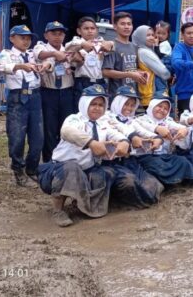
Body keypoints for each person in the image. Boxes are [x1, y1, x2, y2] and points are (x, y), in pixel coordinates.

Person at [37, 84, 130, 227]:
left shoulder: (103, 123)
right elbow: (67, 131)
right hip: (59, 169)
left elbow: (118, 136)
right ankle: (58, 210)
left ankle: (81, 204)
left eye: (101, 104)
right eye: (93, 103)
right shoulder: (74, 119)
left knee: (106, 172)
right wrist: (91, 143)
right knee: (71, 168)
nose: (97, 108)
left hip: (87, 169)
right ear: (84, 103)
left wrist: (124, 143)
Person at [0, 25, 48, 187]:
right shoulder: (7, 53)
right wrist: (19, 66)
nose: (26, 41)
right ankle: (18, 169)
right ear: (12, 38)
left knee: (38, 137)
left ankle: (32, 169)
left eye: (28, 38)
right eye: (22, 37)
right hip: (17, 97)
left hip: (35, 96)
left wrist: (47, 66)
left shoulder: (33, 53)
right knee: (17, 137)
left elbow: (48, 61)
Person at [104, 86, 164, 208]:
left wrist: (157, 139)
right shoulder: (107, 117)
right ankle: (115, 199)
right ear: (118, 103)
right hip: (111, 162)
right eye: (126, 104)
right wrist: (133, 137)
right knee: (129, 183)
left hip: (129, 161)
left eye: (132, 105)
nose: (129, 108)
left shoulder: (131, 120)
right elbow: (122, 129)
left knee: (154, 186)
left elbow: (144, 132)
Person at [34, 21, 75, 163]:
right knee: (49, 128)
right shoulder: (41, 47)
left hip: (67, 92)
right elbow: (39, 55)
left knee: (66, 127)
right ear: (46, 35)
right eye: (53, 33)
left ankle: (65, 159)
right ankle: (49, 162)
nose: (57, 37)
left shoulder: (69, 49)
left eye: (60, 34)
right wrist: (55, 54)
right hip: (48, 92)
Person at [134, 91, 193, 186]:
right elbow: (138, 126)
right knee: (156, 166)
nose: (162, 110)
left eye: (166, 108)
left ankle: (169, 181)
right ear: (152, 105)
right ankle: (166, 182)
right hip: (147, 156)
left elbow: (179, 126)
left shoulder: (167, 121)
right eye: (159, 106)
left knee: (183, 161)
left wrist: (184, 130)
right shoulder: (141, 119)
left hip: (164, 156)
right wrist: (157, 129)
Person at [66, 16, 114, 105]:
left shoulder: (100, 42)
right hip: (83, 82)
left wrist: (110, 44)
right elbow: (68, 47)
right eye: (86, 28)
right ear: (79, 31)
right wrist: (83, 45)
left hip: (99, 81)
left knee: (100, 109)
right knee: (81, 109)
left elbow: (113, 47)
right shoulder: (77, 41)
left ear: (96, 30)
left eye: (92, 28)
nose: (90, 31)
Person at [102, 12, 148, 97]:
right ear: (115, 26)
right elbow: (106, 72)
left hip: (133, 94)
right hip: (117, 95)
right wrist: (129, 74)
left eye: (129, 24)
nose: (126, 27)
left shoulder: (135, 47)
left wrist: (140, 73)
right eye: (122, 24)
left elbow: (134, 68)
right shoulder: (112, 46)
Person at [131, 25, 171, 107]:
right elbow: (164, 73)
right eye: (148, 35)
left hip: (146, 94)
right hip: (151, 95)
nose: (152, 37)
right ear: (140, 36)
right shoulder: (145, 52)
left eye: (153, 35)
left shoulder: (140, 49)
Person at [153, 21, 174, 94]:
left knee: (161, 88)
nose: (160, 36)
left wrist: (156, 46)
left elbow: (159, 55)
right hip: (159, 69)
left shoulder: (165, 44)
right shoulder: (157, 43)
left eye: (163, 34)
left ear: (168, 35)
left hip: (164, 68)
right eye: (158, 33)